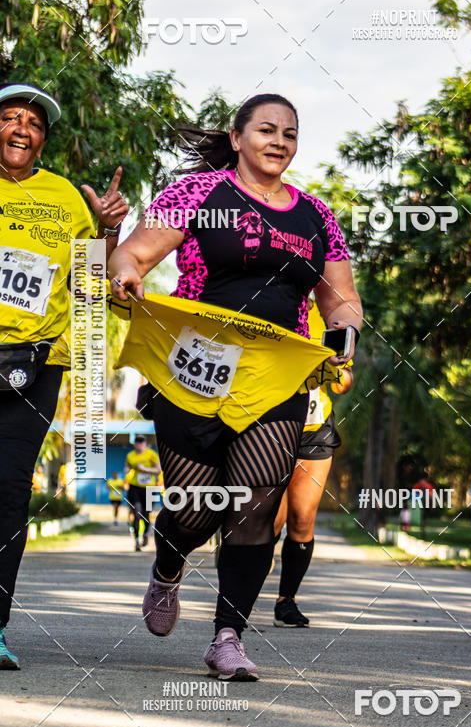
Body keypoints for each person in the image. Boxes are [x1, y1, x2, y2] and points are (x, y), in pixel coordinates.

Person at [108, 92, 362, 680]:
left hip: (276, 376)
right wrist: (125, 277)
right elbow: (133, 255)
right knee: (197, 510)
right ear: (239, 135)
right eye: (267, 130)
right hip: (195, 366)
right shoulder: (199, 194)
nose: (279, 141)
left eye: (290, 134)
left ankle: (228, 637)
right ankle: (168, 567)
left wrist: (344, 333)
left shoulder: (316, 216)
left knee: (255, 506)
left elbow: (340, 299)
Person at [0, 83, 130, 670]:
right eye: (10, 117)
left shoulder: (63, 197)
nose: (21, 128)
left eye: (32, 122)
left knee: (7, 497)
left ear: (44, 139)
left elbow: (91, 283)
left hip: (33, 367)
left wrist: (105, 230)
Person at [272, 300, 352, 627]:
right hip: (270, 422)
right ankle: (236, 601)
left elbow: (344, 380)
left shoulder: (330, 314)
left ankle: (286, 602)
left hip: (314, 425)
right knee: (266, 522)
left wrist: (338, 372)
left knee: (302, 519)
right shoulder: (263, 299)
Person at [125, 436, 160, 551]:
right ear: (134, 444)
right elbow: (127, 467)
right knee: (136, 514)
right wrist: (127, 470)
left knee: (146, 514)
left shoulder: (151, 454)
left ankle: (145, 535)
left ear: (145, 444)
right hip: (135, 488)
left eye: (141, 442)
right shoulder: (130, 456)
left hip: (149, 489)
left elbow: (158, 470)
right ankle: (136, 541)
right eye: (137, 443)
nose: (139, 445)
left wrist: (145, 469)